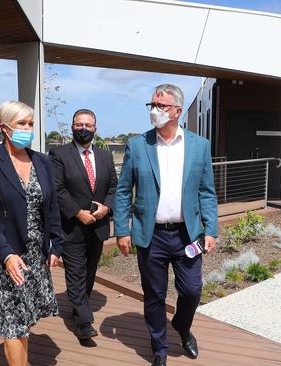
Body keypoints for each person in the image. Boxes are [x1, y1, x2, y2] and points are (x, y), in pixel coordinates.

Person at [114, 84, 218, 366]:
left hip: (188, 234)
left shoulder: (199, 146)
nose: (154, 111)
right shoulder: (138, 145)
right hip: (152, 235)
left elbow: (207, 191)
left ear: (177, 111)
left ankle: (182, 327)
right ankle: (159, 349)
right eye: (152, 105)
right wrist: (122, 230)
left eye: (161, 106)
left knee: (192, 290)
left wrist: (211, 229)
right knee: (154, 295)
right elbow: (124, 191)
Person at [0, 100, 64, 366]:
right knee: (12, 323)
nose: (28, 128)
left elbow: (52, 207)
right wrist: (6, 254)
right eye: (22, 124)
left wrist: (56, 245)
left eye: (31, 124)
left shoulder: (42, 161)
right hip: (4, 257)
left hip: (35, 255)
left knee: (25, 318)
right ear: (5, 128)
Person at [49, 109, 117, 342]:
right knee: (76, 273)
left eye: (88, 125)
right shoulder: (58, 154)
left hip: (98, 227)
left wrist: (106, 208)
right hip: (72, 226)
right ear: (72, 127)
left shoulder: (105, 156)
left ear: (95, 128)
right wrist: (78, 213)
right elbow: (57, 189)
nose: (83, 129)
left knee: (89, 273)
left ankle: (79, 306)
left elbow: (113, 188)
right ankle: (84, 322)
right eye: (79, 125)